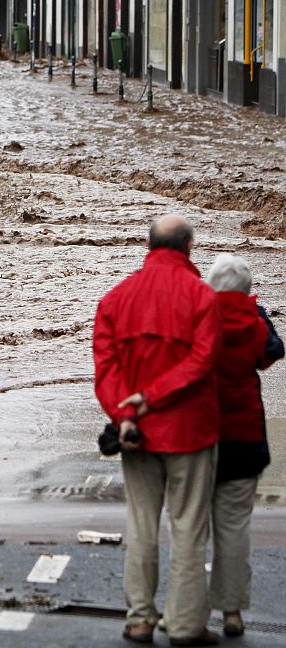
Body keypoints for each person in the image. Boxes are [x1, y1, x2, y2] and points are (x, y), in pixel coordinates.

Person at [93, 214, 221, 646]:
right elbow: (202, 363)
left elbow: (105, 370)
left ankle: (140, 618)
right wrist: (153, 395)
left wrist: (125, 413)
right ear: (188, 247)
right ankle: (185, 624)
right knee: (187, 527)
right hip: (189, 430)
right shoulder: (203, 297)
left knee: (141, 522)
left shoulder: (116, 299)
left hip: (136, 432)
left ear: (149, 246)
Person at [206, 254, 284, 637]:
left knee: (189, 527)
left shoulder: (198, 317)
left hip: (199, 437)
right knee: (234, 528)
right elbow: (272, 353)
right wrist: (260, 312)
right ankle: (232, 611)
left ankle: (184, 609)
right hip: (245, 436)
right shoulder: (253, 321)